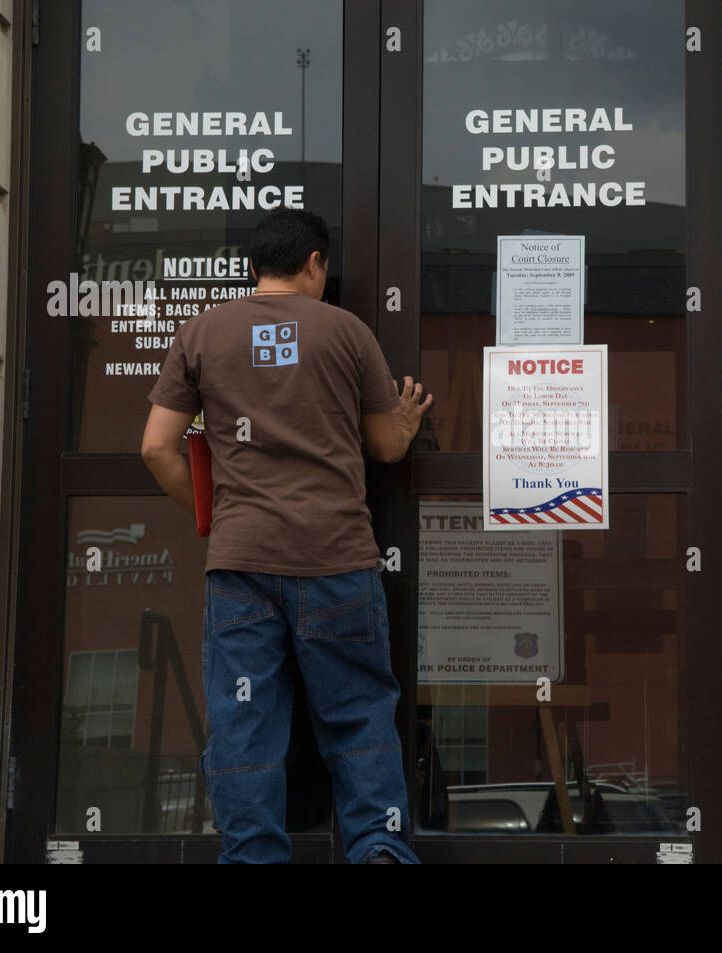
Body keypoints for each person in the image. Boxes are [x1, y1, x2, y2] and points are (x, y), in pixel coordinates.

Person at [140, 207, 433, 863]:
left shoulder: (202, 331)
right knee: (358, 712)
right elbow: (386, 445)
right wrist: (408, 422)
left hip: (243, 564)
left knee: (245, 719)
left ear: (253, 268)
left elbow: (158, 447)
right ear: (314, 265)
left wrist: (219, 518)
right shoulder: (347, 331)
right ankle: (380, 848)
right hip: (338, 558)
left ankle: (252, 856)